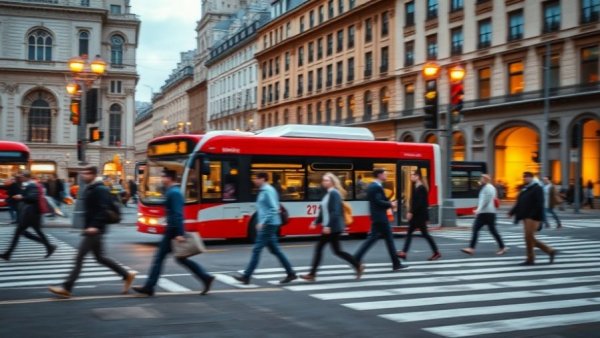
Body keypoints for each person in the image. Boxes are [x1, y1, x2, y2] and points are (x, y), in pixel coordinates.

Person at [48, 166, 136, 298]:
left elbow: (102, 210)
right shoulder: (92, 188)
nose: (82, 176)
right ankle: (126, 275)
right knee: (100, 258)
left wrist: (94, 226)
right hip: (93, 229)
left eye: (86, 173)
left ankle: (67, 287)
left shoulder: (100, 189)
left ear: (93, 175)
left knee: (79, 257)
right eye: (82, 173)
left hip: (95, 230)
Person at [132, 169, 215, 296]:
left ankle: (149, 286)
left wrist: (179, 234)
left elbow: (178, 214)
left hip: (172, 232)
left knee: (159, 259)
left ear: (169, 178)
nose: (161, 179)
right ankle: (205, 277)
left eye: (163, 177)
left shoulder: (174, 193)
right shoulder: (172, 191)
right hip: (171, 231)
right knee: (180, 259)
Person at [233, 172, 297, 284]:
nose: (254, 180)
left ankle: (246, 276)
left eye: (256, 178)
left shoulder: (267, 191)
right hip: (270, 224)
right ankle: (291, 273)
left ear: (263, 179)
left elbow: (274, 208)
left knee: (257, 249)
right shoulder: (264, 190)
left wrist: (262, 222)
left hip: (269, 225)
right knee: (276, 250)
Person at [300, 173, 363, 282]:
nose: (324, 182)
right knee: (337, 251)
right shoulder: (328, 194)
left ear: (333, 182)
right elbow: (323, 211)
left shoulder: (334, 194)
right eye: (324, 180)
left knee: (320, 249)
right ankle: (357, 265)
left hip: (333, 227)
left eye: (327, 180)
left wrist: (328, 226)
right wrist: (315, 222)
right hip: (330, 227)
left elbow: (335, 212)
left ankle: (312, 274)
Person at [354, 169, 408, 271]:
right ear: (379, 175)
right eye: (385, 174)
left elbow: (377, 201)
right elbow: (378, 201)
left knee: (381, 239)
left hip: (377, 217)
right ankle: (356, 257)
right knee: (385, 240)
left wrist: (389, 203)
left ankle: (396, 263)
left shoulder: (372, 186)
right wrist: (390, 204)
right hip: (380, 218)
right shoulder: (376, 187)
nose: (386, 175)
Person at [1, 171, 56, 261]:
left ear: (26, 177)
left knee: (18, 232)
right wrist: (22, 196)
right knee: (34, 232)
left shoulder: (32, 185)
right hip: (33, 213)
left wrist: (21, 197)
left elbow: (33, 198)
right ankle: (50, 247)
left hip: (31, 213)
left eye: (22, 176)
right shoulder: (28, 184)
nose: (20, 178)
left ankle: (8, 254)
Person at [509, 172, 556, 266]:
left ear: (532, 178)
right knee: (529, 238)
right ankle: (549, 251)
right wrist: (512, 212)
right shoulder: (525, 188)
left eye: (527, 177)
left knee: (529, 238)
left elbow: (540, 203)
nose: (525, 179)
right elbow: (519, 201)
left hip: (534, 217)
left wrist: (533, 215)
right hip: (526, 217)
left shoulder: (537, 188)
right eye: (524, 177)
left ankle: (531, 259)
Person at [397, 171, 441, 261]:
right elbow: (416, 203)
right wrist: (411, 211)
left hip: (419, 216)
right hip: (418, 215)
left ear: (418, 176)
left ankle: (404, 252)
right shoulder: (416, 187)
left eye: (412, 175)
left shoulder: (421, 188)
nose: (411, 177)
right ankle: (436, 252)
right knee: (423, 234)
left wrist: (411, 212)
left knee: (417, 233)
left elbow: (420, 204)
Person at [461, 174, 507, 256]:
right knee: (490, 230)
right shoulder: (487, 187)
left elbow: (486, 200)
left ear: (485, 179)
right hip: (488, 212)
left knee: (478, 229)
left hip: (486, 213)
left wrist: (478, 210)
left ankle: (471, 248)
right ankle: (502, 247)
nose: (480, 179)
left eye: (482, 178)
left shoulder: (488, 188)